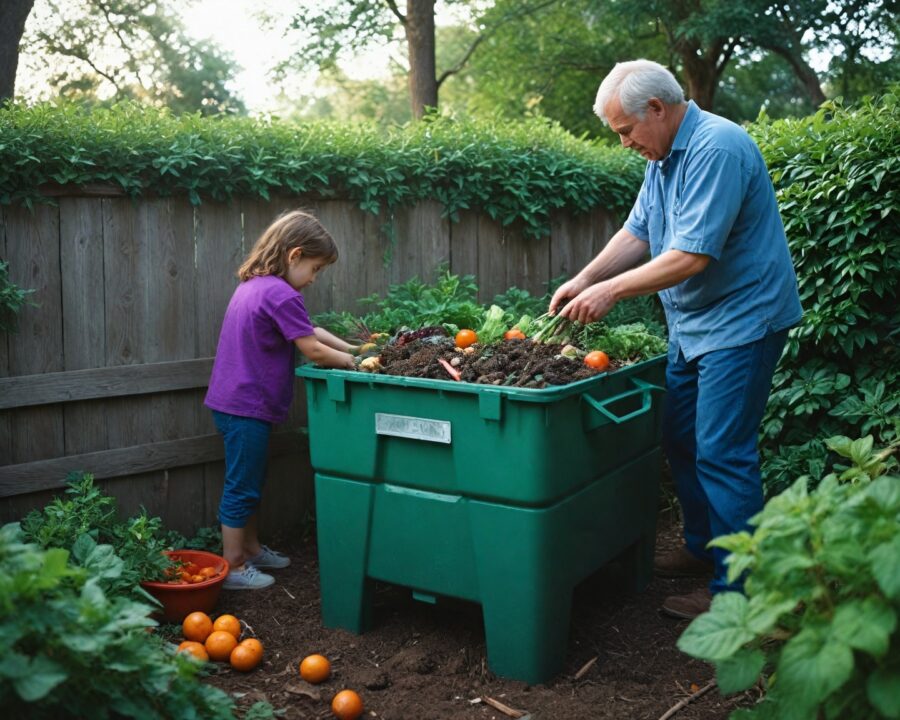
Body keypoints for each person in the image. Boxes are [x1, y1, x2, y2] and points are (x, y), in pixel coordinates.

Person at [549, 59, 802, 619]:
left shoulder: (717, 148)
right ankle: (703, 549)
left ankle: (742, 597)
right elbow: (638, 231)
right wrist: (586, 277)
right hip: (693, 326)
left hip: (742, 322)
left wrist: (612, 292)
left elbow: (691, 255)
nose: (624, 143)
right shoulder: (662, 157)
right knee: (680, 437)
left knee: (722, 451)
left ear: (657, 110)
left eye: (625, 131)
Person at [205, 210, 356, 590]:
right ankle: (234, 566)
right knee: (242, 484)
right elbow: (313, 350)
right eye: (315, 268)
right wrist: (356, 362)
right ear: (295, 255)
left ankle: (252, 548)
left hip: (233, 403)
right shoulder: (280, 293)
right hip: (246, 407)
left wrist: (354, 346)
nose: (315, 277)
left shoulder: (257, 286)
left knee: (250, 479)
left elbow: (312, 329)